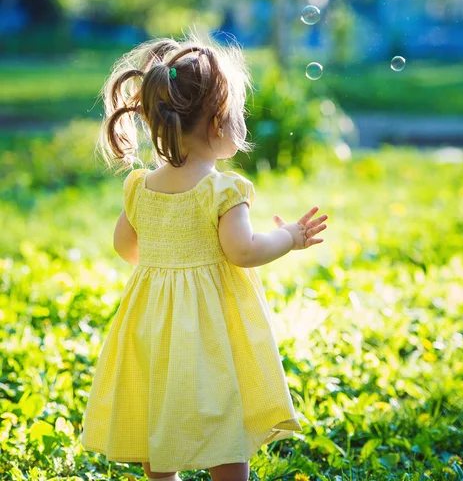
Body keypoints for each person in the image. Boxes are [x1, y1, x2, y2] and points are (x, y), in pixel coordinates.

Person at [79, 31, 328, 481]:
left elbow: (125, 247)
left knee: (161, 412)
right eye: (238, 115)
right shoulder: (222, 189)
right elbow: (244, 250)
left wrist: (167, 265)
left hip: (152, 322)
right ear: (218, 123)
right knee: (222, 417)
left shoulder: (139, 186)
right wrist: (289, 237)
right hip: (210, 327)